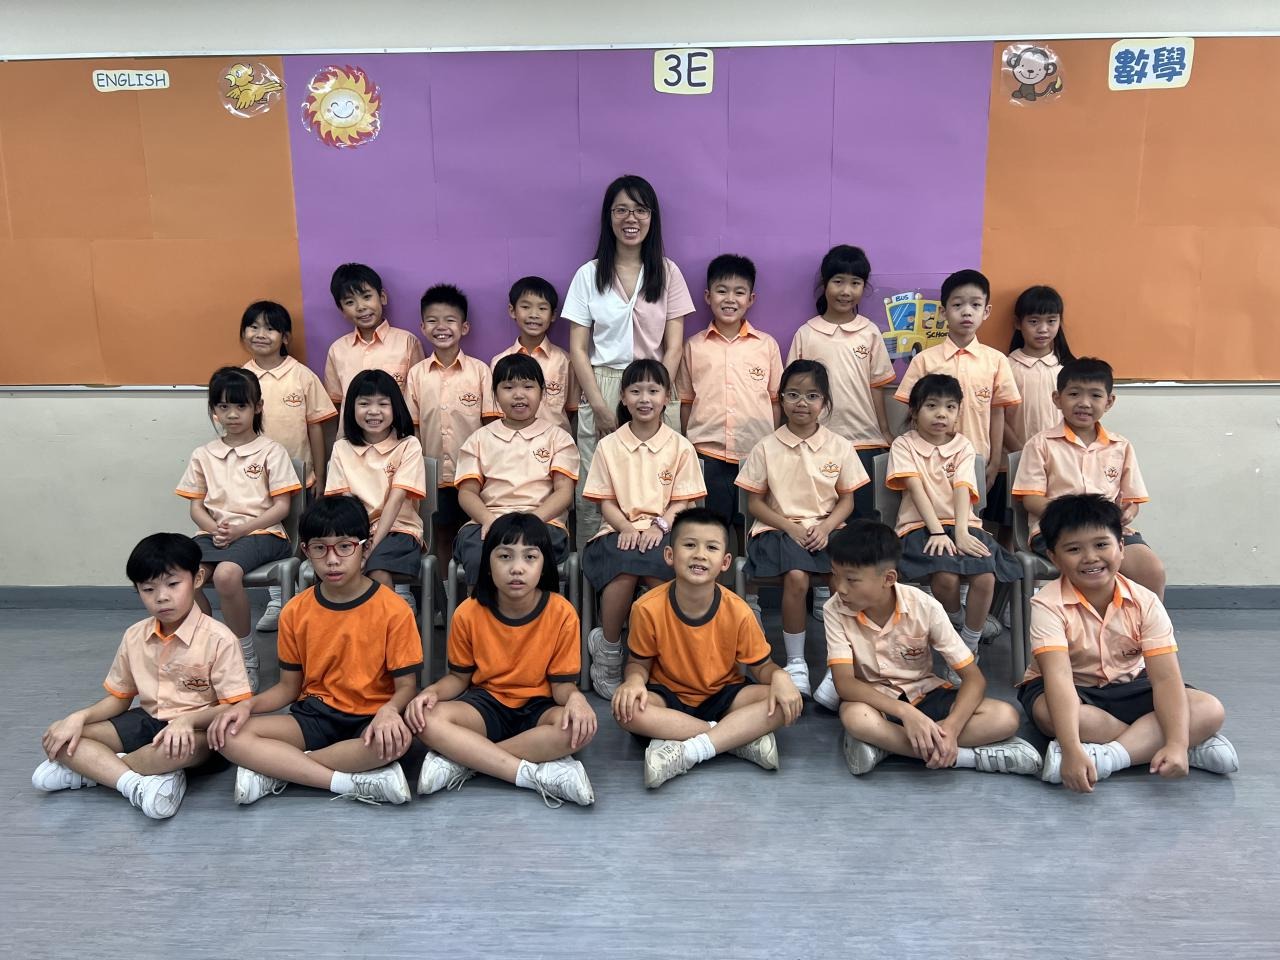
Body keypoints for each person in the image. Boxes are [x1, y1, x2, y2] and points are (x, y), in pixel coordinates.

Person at [208, 496, 423, 805]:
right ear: (306, 551)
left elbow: (406, 687)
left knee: (397, 742)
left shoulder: (394, 609)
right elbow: (287, 688)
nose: (332, 560)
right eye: (320, 548)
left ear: (365, 548)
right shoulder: (295, 610)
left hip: (370, 717)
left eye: (345, 546)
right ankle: (344, 781)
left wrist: (390, 711)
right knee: (228, 735)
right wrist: (247, 706)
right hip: (314, 716)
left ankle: (279, 768)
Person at [1017, 495, 1237, 792]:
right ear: (1054, 558)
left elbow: (1165, 678)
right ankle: (1179, 745)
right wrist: (1070, 749)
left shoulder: (1146, 601)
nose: (1090, 557)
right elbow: (1059, 678)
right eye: (1073, 549)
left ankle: (1110, 757)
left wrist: (1176, 742)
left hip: (1131, 683)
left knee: (1209, 709)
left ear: (1121, 548)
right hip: (1075, 688)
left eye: (1101, 544)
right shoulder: (1047, 604)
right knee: (1054, 717)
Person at [32, 533, 252, 818]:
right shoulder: (134, 635)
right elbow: (119, 698)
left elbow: (235, 706)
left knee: (173, 751)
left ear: (197, 579)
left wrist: (188, 720)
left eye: (173, 584)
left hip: (200, 732)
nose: (162, 597)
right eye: (148, 589)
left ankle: (97, 771)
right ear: (137, 590)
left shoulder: (219, 638)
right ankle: (139, 782)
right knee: (61, 736)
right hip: (148, 720)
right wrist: (78, 717)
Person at [822, 521, 1041, 776]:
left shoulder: (925, 607)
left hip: (924, 693)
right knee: (856, 717)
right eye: (835, 575)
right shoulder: (834, 609)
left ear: (888, 578)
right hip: (877, 702)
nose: (840, 588)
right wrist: (905, 713)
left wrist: (951, 728)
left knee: (1005, 717)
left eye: (851, 579)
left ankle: (888, 746)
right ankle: (967, 758)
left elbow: (974, 679)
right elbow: (845, 684)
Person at [406, 513, 597, 807]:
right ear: (488, 563)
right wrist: (430, 692)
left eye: (530, 557)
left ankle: (466, 760)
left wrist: (577, 700)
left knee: (578, 728)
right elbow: (458, 678)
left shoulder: (562, 613)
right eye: (505, 556)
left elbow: (562, 686)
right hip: (486, 705)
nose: (517, 568)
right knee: (424, 719)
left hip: (539, 708)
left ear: (544, 564)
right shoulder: (468, 612)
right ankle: (529, 773)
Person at [611, 508, 803, 789]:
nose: (700, 554)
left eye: (711, 547)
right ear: (669, 555)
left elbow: (762, 667)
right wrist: (633, 682)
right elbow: (639, 663)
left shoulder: (738, 610)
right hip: (669, 697)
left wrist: (781, 677)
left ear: (725, 562)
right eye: (689, 545)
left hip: (725, 696)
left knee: (783, 701)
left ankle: (689, 750)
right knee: (626, 710)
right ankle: (734, 739)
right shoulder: (646, 607)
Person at [564, 174, 695, 543]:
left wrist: (658, 391)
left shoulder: (668, 272)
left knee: (662, 476)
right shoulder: (588, 275)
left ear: (652, 217)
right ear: (609, 217)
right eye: (621, 210)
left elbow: (674, 346)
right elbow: (578, 348)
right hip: (604, 383)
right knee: (597, 483)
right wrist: (601, 406)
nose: (631, 218)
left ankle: (662, 558)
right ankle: (594, 565)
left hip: (657, 382)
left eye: (640, 210)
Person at [874, 374, 1020, 698]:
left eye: (950, 407)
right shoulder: (904, 444)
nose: (941, 414)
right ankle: (957, 620)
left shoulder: (963, 445)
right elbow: (916, 490)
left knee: (985, 576)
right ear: (914, 411)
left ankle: (967, 648)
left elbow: (962, 489)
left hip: (962, 523)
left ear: (958, 412)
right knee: (945, 577)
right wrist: (939, 531)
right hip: (919, 526)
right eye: (932, 406)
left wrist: (963, 531)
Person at [736, 359, 864, 699]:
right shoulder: (766, 446)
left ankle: (840, 665)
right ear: (780, 399)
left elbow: (847, 501)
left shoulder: (840, 446)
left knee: (843, 577)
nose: (801, 403)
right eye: (792, 394)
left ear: (825, 402)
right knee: (796, 576)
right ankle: (796, 663)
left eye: (812, 396)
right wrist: (790, 527)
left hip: (827, 529)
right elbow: (755, 504)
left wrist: (827, 526)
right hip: (776, 530)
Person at [581, 358, 706, 699]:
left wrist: (659, 525)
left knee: (657, 573)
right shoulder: (609, 446)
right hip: (616, 531)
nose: (644, 399)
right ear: (623, 397)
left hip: (665, 531)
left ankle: (662, 654)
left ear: (667, 397)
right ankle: (608, 649)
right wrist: (625, 527)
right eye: (635, 391)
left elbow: (683, 502)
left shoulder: (680, 446)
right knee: (623, 571)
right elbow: (605, 502)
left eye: (653, 390)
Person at [177, 366, 301, 690]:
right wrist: (215, 528)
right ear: (214, 410)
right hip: (214, 534)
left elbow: (282, 508)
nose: (232, 414)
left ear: (257, 407)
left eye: (241, 406)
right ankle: (209, 651)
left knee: (225, 575)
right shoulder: (203, 454)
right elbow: (196, 507)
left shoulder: (271, 451)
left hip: (264, 533)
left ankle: (244, 656)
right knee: (182, 576)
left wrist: (241, 530)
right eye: (223, 406)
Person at [1012, 356, 1165, 598]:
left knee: (1151, 570)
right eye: (1074, 394)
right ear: (1057, 398)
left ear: (1109, 401)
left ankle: (1141, 623)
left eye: (1095, 395)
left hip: (1108, 530)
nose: (1084, 403)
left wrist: (1127, 513)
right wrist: (1077, 518)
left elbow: (1132, 501)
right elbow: (1031, 499)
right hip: (1056, 529)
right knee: (1093, 570)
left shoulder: (1120, 446)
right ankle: (1087, 620)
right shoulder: (1040, 444)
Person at [239, 299, 337, 632]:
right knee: (267, 535)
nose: (261, 334)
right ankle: (277, 600)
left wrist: (320, 474)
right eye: (253, 327)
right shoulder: (241, 378)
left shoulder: (302, 376)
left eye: (270, 328)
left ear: (285, 337)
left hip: (300, 477)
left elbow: (316, 427)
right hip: (255, 479)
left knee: (304, 537)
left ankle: (310, 598)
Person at [787, 244, 895, 521]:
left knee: (863, 522)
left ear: (863, 287)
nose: (846, 291)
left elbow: (877, 386)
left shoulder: (869, 332)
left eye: (855, 283)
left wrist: (884, 431)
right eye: (838, 281)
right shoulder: (807, 334)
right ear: (825, 284)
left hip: (864, 441)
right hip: (817, 441)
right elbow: (791, 393)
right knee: (819, 519)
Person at [676, 253, 782, 530]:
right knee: (711, 529)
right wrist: (690, 445)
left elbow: (775, 401)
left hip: (755, 453)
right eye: (722, 291)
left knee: (753, 528)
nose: (730, 299)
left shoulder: (766, 346)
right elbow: (685, 402)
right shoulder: (693, 346)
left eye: (739, 292)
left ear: (751, 299)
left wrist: (772, 444)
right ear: (708, 296)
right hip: (706, 453)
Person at [453, 354, 578, 586]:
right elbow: (467, 493)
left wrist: (533, 521)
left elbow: (564, 492)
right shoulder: (479, 439)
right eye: (508, 387)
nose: (519, 394)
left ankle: (539, 610)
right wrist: (488, 520)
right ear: (495, 394)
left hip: (543, 522)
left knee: (534, 558)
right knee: (479, 556)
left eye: (528, 387)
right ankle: (483, 609)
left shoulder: (558, 438)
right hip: (488, 522)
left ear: (542, 392)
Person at [894, 269, 1020, 493]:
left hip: (978, 460)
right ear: (943, 312)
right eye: (958, 304)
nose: (967, 312)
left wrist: (993, 464)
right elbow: (913, 413)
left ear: (986, 311)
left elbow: (997, 414)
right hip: (930, 463)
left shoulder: (996, 361)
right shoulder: (924, 360)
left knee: (971, 514)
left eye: (975, 305)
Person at [404, 283, 498, 580]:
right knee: (442, 533)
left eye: (450, 320)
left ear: (464, 327)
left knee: (477, 531)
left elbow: (491, 426)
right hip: (434, 474)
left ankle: (477, 586)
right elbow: (412, 428)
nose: (441, 327)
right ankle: (446, 592)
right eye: (432, 321)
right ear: (422, 327)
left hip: (474, 474)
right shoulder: (417, 374)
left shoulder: (480, 371)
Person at [985, 285, 1075, 538]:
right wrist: (1023, 452)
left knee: (1052, 524)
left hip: (1057, 463)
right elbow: (997, 415)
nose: (1043, 329)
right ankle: (1006, 566)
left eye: (1051, 321)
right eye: (1034, 321)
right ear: (1018, 324)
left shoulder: (1065, 369)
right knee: (1006, 528)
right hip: (1011, 462)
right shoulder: (1006, 366)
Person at [325, 370, 426, 590]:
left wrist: (371, 546)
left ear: (395, 407)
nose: (373, 411)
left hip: (398, 529)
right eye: (364, 404)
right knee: (335, 567)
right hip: (354, 530)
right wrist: (357, 543)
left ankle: (390, 611)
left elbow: (395, 502)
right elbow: (345, 504)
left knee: (377, 570)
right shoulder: (341, 448)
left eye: (383, 404)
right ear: (351, 408)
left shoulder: (408, 445)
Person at [322, 262, 424, 404]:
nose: (361, 307)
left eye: (367, 297)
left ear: (382, 297)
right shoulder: (337, 350)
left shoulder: (408, 342)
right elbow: (336, 401)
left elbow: (418, 398)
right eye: (350, 302)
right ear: (342, 310)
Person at [491, 276, 577, 434]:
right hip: (513, 443)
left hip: (555, 442)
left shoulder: (565, 361)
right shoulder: (499, 361)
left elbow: (572, 409)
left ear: (553, 315)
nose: (534, 314)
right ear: (512, 310)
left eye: (542, 308)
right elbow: (496, 411)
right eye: (525, 307)